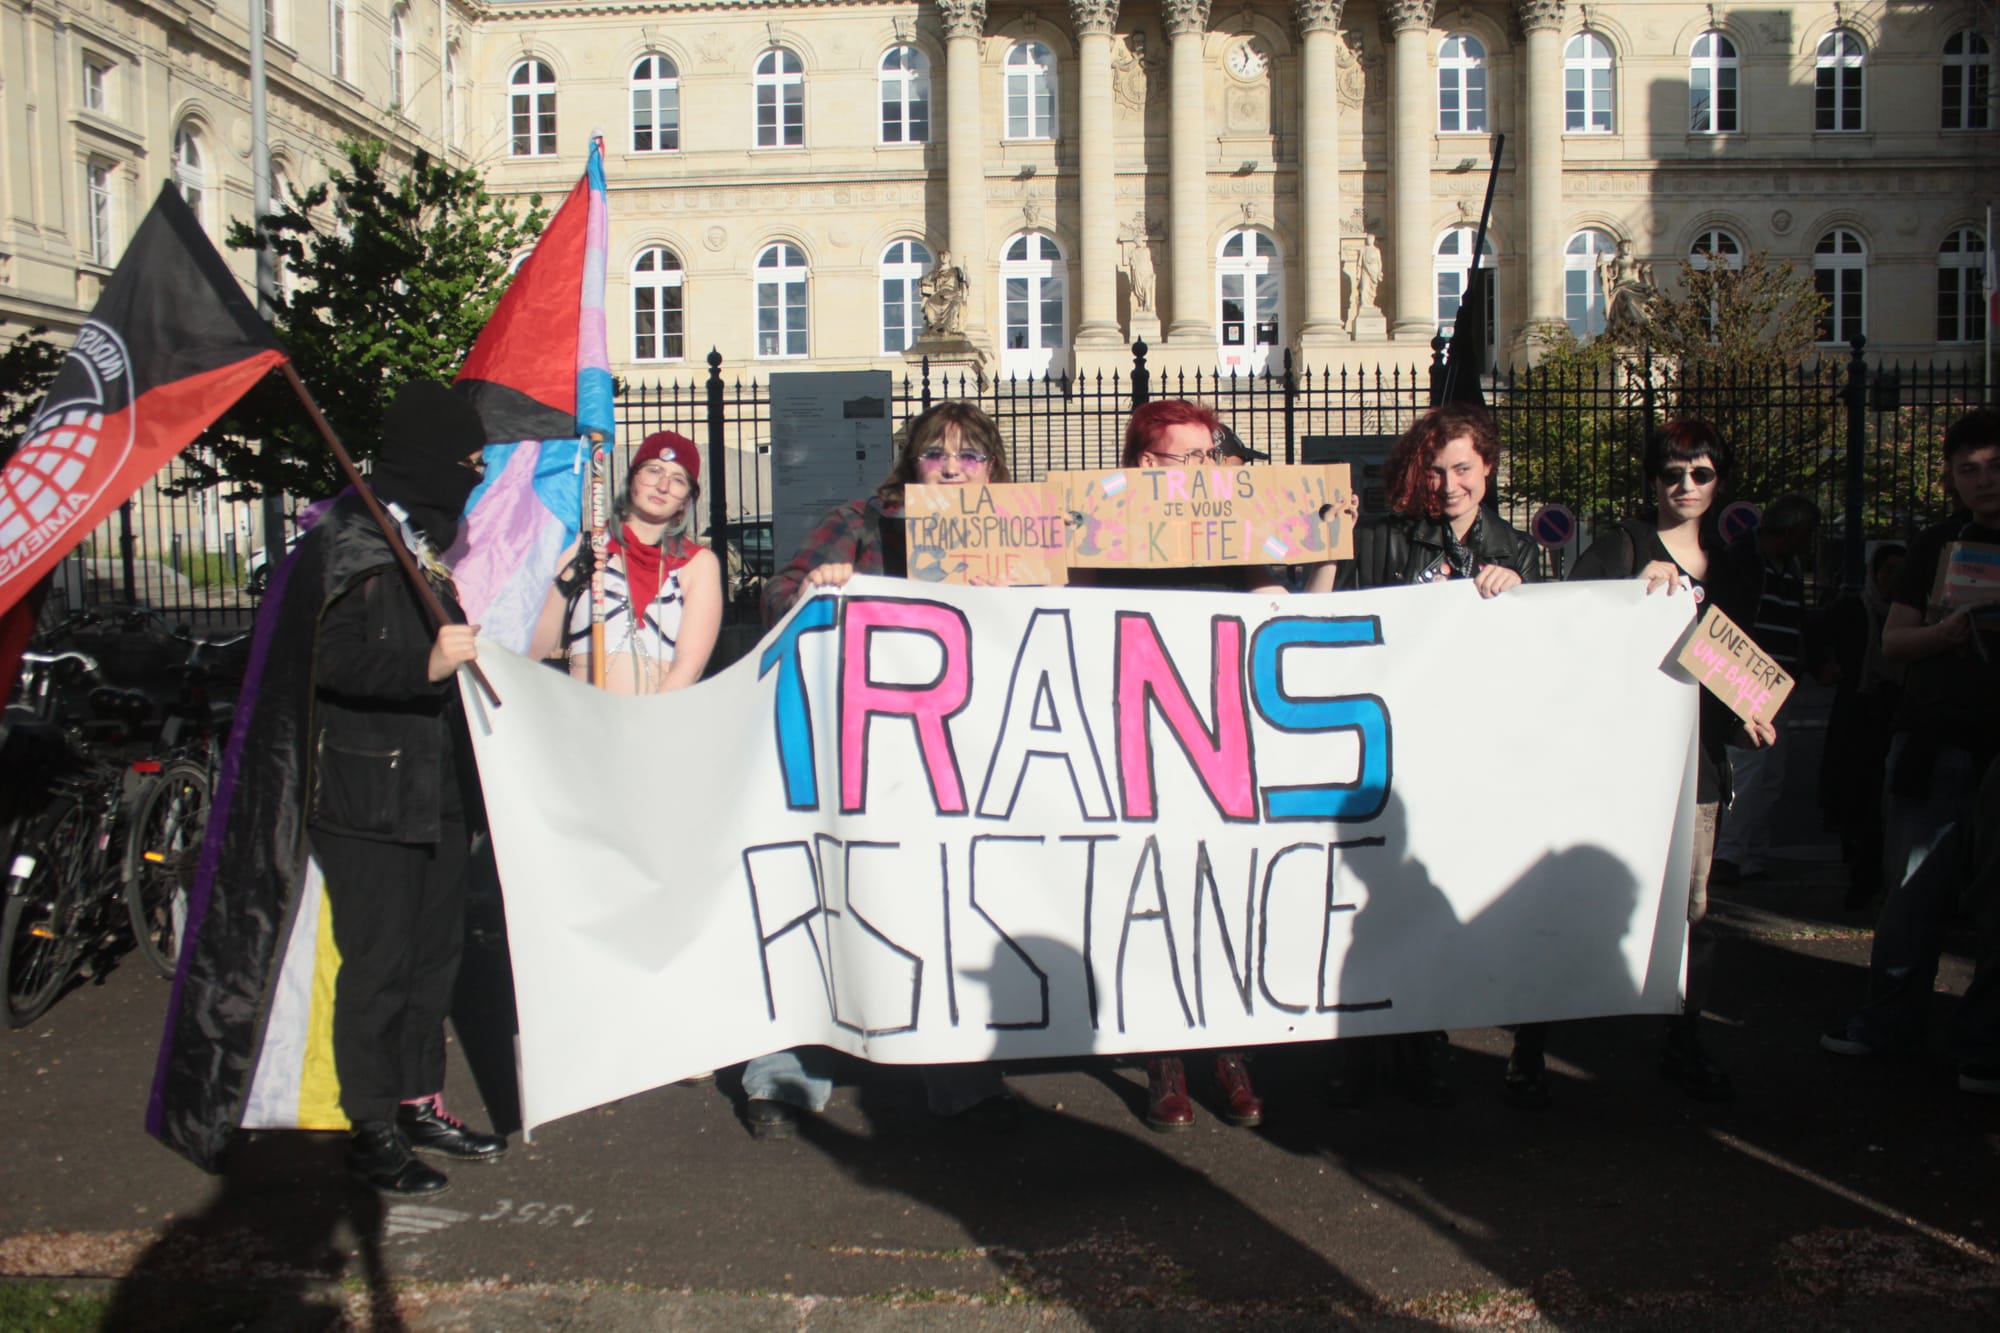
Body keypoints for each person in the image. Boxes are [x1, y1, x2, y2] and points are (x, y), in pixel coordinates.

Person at [749, 401, 1022, 1138]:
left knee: (948, 906)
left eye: (969, 457)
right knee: (832, 893)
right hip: (864, 750)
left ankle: (959, 1074)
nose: (953, 469)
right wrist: (824, 585)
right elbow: (780, 593)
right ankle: (786, 1070)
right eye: (937, 454)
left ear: (992, 469)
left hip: (962, 753)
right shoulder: (867, 517)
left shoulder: (1018, 531)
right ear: (913, 463)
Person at [1508, 418, 1773, 1107]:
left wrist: (1752, 713)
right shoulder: (1624, 545)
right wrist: (1627, 589)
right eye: (1673, 473)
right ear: (1653, 480)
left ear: (1720, 480)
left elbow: (1734, 661)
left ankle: (1683, 1041)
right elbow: (1563, 623)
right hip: (1613, 761)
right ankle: (1529, 1046)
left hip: (1697, 767)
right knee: (1570, 901)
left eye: (1701, 473)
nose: (1686, 485)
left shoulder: (1739, 563)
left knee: (1690, 912)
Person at [1311, 402, 1538, 1109]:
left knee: (1440, 896)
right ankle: (1375, 1043)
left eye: (1463, 468)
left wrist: (1523, 594)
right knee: (1375, 898)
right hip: (1387, 749)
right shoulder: (1380, 539)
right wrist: (1326, 542)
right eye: (1435, 469)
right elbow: (1321, 618)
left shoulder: (1518, 549)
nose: (1449, 484)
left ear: (1489, 469)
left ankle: (1425, 1032)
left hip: (1468, 753)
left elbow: (1547, 649)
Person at [310, 380, 508, 1194]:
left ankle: (418, 1097)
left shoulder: (419, 544)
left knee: (435, 960)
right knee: (380, 964)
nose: (475, 475)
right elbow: (325, 661)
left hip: (434, 791)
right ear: (429, 458)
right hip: (370, 794)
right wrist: (421, 665)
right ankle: (371, 1125)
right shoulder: (349, 542)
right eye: (468, 461)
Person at [1070, 399, 1283, 1131]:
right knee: (1149, 891)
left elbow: (1278, 605)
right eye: (1181, 459)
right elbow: (1067, 617)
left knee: (1223, 890)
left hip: (1219, 738)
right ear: (1141, 464)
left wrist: (1314, 557)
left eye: (1206, 458)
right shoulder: (1100, 530)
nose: (1199, 472)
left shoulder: (1238, 526)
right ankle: (1163, 1052)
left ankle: (1226, 1050)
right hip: (1137, 737)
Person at [1822, 408, 2000, 1094]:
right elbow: (1894, 643)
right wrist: (1945, 634)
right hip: (1935, 740)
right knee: (1912, 892)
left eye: (1993, 466)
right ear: (1952, 480)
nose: (1983, 481)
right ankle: (1889, 1019)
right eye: (1969, 470)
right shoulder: (1935, 544)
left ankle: (1982, 1038)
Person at [529, 430, 722, 694]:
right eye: (653, 471)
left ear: (685, 501)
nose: (663, 486)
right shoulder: (582, 548)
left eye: (678, 479)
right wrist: (565, 586)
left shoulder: (697, 564)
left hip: (652, 722)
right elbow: (534, 648)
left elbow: (690, 665)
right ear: (633, 479)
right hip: (583, 720)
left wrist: (645, 722)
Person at [1709, 493, 1820, 884]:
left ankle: (1751, 856)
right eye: (1805, 533)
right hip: (1751, 678)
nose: (1809, 542)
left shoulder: (1786, 564)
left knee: (1770, 774)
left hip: (1779, 678)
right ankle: (1730, 856)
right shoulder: (1744, 559)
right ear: (1789, 531)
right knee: (1750, 771)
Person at [1812, 541, 1906, 909]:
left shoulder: (1911, 614)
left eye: (1901, 572)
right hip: (1856, 716)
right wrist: (1824, 666)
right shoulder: (1853, 609)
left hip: (1895, 716)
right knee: (1855, 797)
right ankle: (1859, 875)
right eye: (1887, 571)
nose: (1893, 580)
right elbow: (1817, 634)